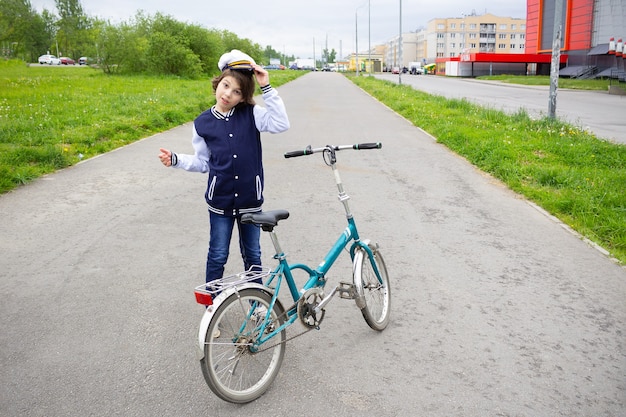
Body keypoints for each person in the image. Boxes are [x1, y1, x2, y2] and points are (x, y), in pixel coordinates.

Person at [158, 49, 290, 290]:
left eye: (237, 91)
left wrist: (266, 87)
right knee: (218, 255)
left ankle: (256, 304)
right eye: (226, 86)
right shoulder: (203, 123)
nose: (228, 94)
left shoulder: (252, 114)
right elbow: (203, 163)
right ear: (218, 83)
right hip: (220, 203)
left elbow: (281, 124)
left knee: (253, 255)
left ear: (243, 97)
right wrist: (177, 160)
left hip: (250, 199)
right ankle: (212, 303)